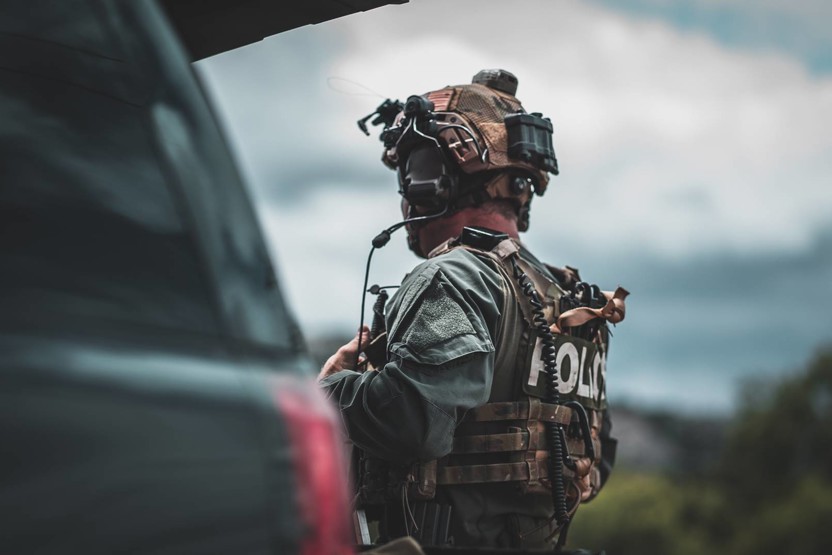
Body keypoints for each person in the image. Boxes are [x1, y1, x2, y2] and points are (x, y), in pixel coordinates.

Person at [318, 69, 628, 551]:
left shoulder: (453, 276)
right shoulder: (569, 301)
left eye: (414, 170)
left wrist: (329, 392)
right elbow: (596, 462)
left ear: (433, 180)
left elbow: (412, 421)